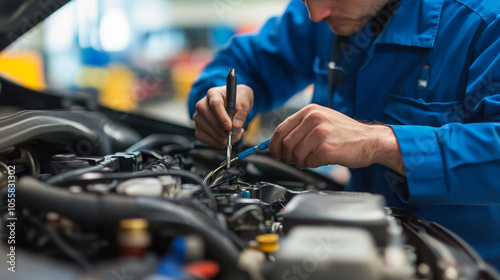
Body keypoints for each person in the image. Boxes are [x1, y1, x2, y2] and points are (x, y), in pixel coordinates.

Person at [188, 0, 500, 270]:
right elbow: (242, 63)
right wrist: (218, 96)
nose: (315, 14)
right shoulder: (323, 11)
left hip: (463, 263)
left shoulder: (485, 21)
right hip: (355, 248)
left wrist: (379, 143)